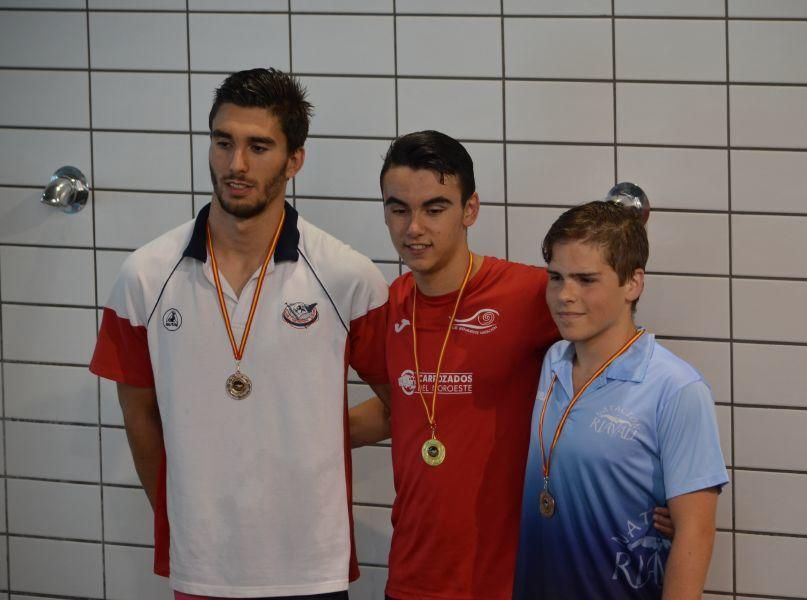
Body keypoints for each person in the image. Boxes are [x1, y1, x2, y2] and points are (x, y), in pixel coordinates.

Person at [90, 68, 389, 599]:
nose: (237, 165)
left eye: (259, 146)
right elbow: (138, 413)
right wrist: (181, 515)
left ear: (295, 159)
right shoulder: (144, 274)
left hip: (310, 563)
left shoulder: (347, 275)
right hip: (202, 563)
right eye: (223, 142)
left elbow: (399, 401)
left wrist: (311, 433)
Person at [349, 131, 673, 599]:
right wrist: (299, 446)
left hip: (509, 580)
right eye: (398, 209)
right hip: (413, 577)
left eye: (434, 209)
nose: (414, 227)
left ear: (470, 210)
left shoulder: (526, 295)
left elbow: (620, 364)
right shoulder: (390, 305)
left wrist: (661, 488)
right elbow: (398, 409)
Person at [513, 201, 728, 599]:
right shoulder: (553, 361)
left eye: (586, 279)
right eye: (556, 277)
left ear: (633, 283)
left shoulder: (676, 388)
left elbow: (695, 532)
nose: (565, 295)